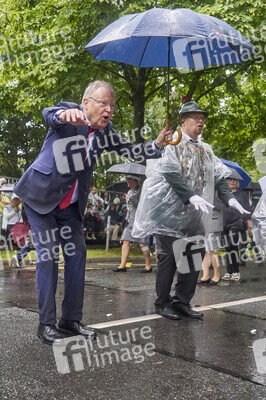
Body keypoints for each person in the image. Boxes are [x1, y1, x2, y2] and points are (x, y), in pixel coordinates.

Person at [13, 80, 173, 345]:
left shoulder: (106, 131)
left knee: (77, 256)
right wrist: (63, 115)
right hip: (41, 198)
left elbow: (129, 151)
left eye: (112, 105)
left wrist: (155, 144)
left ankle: (70, 320)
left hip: (71, 206)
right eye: (103, 103)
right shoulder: (68, 115)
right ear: (86, 103)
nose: (109, 109)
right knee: (49, 256)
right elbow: (49, 114)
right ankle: (46, 325)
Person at [132, 101, 250, 320]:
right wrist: (191, 196)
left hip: (195, 215)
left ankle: (182, 302)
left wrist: (230, 200)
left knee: (193, 258)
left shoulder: (206, 150)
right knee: (168, 258)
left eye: (202, 117)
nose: (200, 121)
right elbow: (170, 173)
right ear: (183, 120)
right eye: (195, 117)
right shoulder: (172, 144)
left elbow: (219, 177)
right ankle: (162, 303)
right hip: (169, 214)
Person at [113, 174, 152, 273]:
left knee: (142, 243)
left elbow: (139, 204)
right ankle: (122, 265)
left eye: (129, 181)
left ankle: (148, 265)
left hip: (139, 221)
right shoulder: (130, 192)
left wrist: (131, 198)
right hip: (129, 221)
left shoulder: (142, 191)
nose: (128, 183)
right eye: (127, 181)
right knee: (125, 241)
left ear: (135, 181)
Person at [221, 171, 252, 281]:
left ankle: (236, 271)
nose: (232, 181)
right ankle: (229, 272)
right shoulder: (224, 194)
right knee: (228, 247)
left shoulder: (241, 195)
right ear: (227, 181)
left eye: (234, 180)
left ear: (237, 182)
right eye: (230, 179)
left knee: (232, 246)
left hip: (237, 223)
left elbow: (248, 210)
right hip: (225, 223)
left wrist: (249, 225)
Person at [197, 196, 224, 285]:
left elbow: (222, 206)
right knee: (203, 250)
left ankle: (217, 275)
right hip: (202, 223)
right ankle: (206, 275)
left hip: (214, 223)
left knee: (212, 250)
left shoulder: (218, 190)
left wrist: (208, 200)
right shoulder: (201, 190)